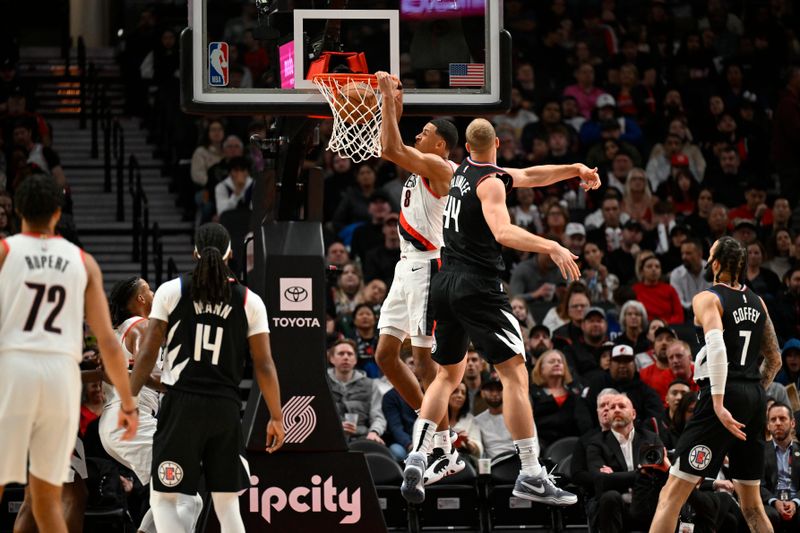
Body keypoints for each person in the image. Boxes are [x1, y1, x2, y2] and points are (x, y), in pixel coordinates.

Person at [401, 117, 599, 506]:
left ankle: (418, 454)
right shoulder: (490, 182)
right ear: (498, 144)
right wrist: (552, 246)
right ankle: (529, 472)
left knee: (446, 375)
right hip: (479, 286)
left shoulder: (464, 172)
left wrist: (574, 169)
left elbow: (529, 175)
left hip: (446, 282)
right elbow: (503, 232)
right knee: (514, 375)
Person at [0, 175, 138, 533]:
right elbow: (108, 341)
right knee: (47, 498)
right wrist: (126, 401)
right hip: (58, 381)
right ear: (58, 213)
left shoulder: (5, 252)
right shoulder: (82, 261)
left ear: (17, 210)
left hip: (14, 373)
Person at [129, 223, 284, 533]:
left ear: (195, 252)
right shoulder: (249, 300)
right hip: (225, 408)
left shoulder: (172, 290)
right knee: (228, 507)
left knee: (164, 500)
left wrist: (128, 398)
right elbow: (264, 364)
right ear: (229, 253)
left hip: (181, 405)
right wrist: (276, 417)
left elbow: (147, 354)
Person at [649, 236, 783, 533]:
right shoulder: (759, 302)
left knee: (670, 495)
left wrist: (722, 402)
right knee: (751, 504)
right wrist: (752, 393)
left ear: (717, 262)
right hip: (754, 396)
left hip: (722, 392)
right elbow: (775, 360)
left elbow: (718, 347)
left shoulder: (708, 298)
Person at [373, 71, 464, 483]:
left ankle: (442, 448)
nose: (419, 134)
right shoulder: (426, 161)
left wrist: (385, 101)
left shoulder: (439, 167)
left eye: (425, 131)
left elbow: (389, 146)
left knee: (425, 361)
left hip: (429, 265)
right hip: (405, 266)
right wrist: (392, 97)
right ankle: (435, 429)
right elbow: (396, 140)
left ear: (441, 144)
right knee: (385, 357)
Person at [100, 277, 203, 533]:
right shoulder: (141, 325)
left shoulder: (123, 329)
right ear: (141, 299)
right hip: (130, 422)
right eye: (149, 288)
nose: (155, 292)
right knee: (185, 497)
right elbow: (143, 371)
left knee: (169, 496)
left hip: (122, 424)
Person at [761, 402, 800, 531]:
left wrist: (795, 502)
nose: (778, 423)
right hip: (771, 503)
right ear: (768, 425)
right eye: (773, 419)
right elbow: (757, 485)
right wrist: (774, 501)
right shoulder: (760, 452)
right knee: (767, 514)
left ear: (792, 423)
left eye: (782, 418)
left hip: (797, 501)